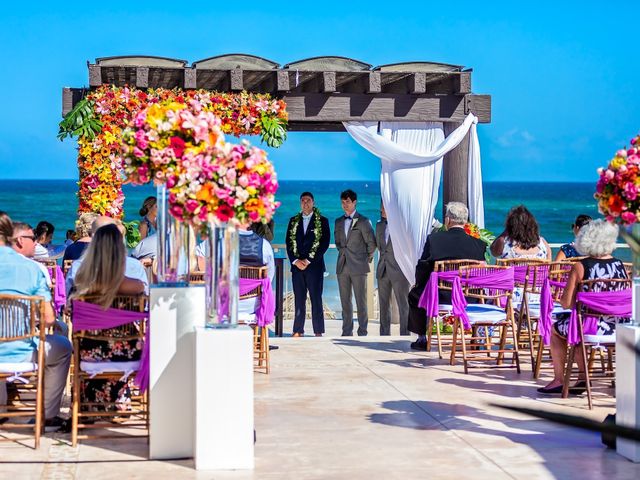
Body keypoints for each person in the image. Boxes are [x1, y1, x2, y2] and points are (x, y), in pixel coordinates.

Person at [538, 220, 629, 394]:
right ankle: (581, 378)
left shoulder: (581, 267)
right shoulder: (620, 266)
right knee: (576, 324)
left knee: (557, 329)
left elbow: (566, 303)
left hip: (591, 327)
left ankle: (560, 379)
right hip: (617, 327)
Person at [0, 211, 71, 430]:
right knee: (63, 348)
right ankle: (48, 417)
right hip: (20, 353)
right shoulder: (32, 269)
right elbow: (48, 319)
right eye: (32, 238)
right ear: (18, 239)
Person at [69, 224, 146, 410]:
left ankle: (90, 403)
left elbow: (71, 316)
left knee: (82, 342)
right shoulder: (135, 286)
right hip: (127, 353)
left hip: (89, 353)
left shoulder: (81, 285)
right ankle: (119, 399)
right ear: (120, 251)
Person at [408, 202, 487, 351]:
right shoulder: (479, 244)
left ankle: (422, 338)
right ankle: (477, 339)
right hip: (470, 296)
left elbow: (423, 267)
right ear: (465, 221)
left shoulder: (434, 240)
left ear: (447, 220)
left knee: (415, 295)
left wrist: (419, 284)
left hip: (442, 296)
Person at [66, 216, 149, 296]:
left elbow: (68, 298)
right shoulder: (135, 266)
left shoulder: (78, 267)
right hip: (125, 310)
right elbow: (145, 299)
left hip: (85, 310)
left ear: (94, 238)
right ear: (119, 239)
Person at [286, 192, 331, 337]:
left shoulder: (322, 221)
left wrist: (308, 260)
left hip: (315, 267)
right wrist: (295, 261)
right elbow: (288, 242)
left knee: (316, 298)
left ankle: (318, 331)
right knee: (299, 299)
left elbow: (324, 244)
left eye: (308, 200)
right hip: (297, 268)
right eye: (303, 201)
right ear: (300, 203)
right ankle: (298, 330)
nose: (305, 203)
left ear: (313, 202)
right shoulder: (293, 221)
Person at [334, 189, 376, 336]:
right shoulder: (338, 221)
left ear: (354, 202)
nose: (345, 204)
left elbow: (372, 243)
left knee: (361, 302)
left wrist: (366, 258)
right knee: (345, 302)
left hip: (359, 266)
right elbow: (338, 242)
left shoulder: (363, 221)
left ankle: (363, 331)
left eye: (348, 202)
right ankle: (346, 331)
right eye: (343, 202)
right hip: (342, 266)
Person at [376, 203, 410, 336]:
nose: (381, 209)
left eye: (384, 207)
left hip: (399, 270)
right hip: (382, 269)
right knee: (383, 305)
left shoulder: (402, 226)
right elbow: (379, 247)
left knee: (403, 304)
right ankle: (384, 335)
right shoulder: (379, 225)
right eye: (381, 207)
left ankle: (405, 334)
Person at [11, 222, 52, 287]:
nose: (35, 243)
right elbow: (45, 296)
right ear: (20, 240)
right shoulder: (38, 269)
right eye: (33, 239)